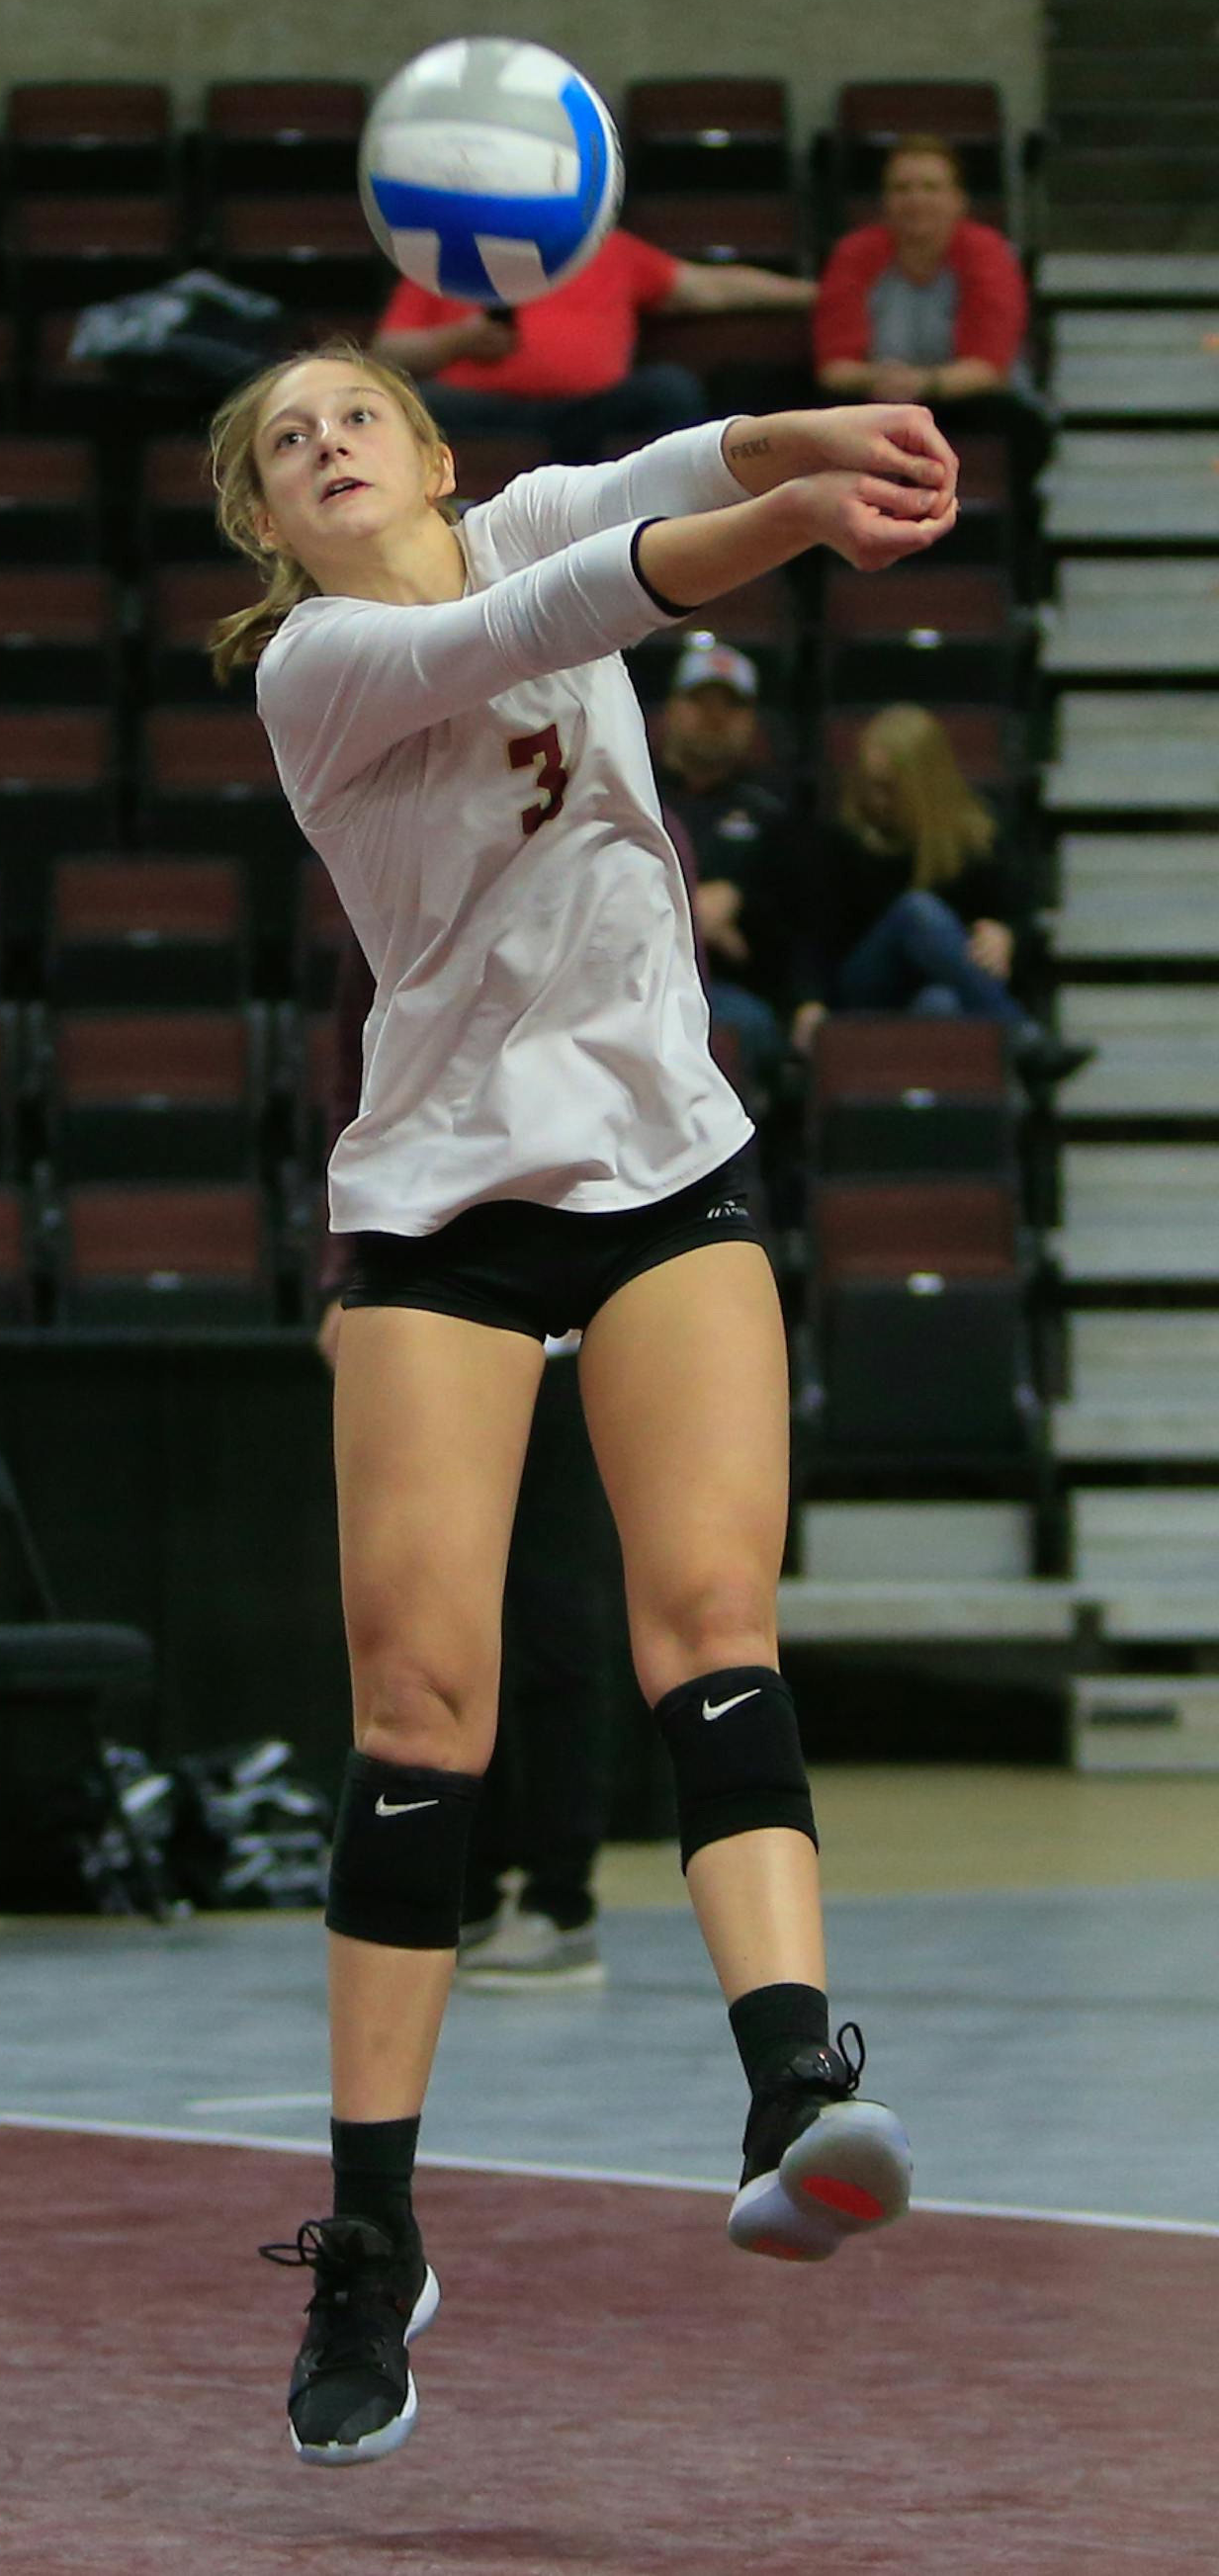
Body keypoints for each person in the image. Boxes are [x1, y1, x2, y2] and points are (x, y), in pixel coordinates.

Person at [211, 345, 937, 2463]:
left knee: (708, 1617)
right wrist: (795, 522)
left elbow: (649, 477)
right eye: (284, 443)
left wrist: (827, 440)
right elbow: (559, 613)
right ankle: (369, 2239)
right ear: (267, 524)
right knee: (420, 1711)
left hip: (662, 1162)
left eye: (357, 416)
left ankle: (793, 2084)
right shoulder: (325, 663)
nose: (326, 444)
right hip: (444, 1200)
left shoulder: (526, 511)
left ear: (434, 453)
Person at [318, 926, 618, 1990]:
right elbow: (359, 1070)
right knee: (440, 1611)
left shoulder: (624, 832)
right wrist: (347, 1273)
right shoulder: (394, 845)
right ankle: (470, 1884)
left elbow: (676, 1051)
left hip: (581, 1274)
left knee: (554, 1610)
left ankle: (561, 1895)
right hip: (440, 1279)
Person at [791, 703, 1088, 1084]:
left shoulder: (976, 837)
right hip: (864, 987)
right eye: (870, 785)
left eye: (889, 789)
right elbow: (815, 932)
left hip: (947, 990)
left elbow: (1022, 916)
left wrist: (1006, 935)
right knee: (917, 912)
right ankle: (1021, 1034)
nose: (877, 800)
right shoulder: (840, 839)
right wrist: (808, 1001)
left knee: (940, 1004)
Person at [376, 227, 816, 464]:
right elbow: (387, 354)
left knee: (670, 388)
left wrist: (818, 295)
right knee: (414, 407)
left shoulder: (609, 248)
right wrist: (457, 341)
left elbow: (709, 287)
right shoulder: (449, 251)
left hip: (589, 413)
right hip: (479, 411)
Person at [814, 136, 1046, 477]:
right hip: (877, 396)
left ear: (958, 200)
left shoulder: (990, 254)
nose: (916, 199)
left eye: (931, 187)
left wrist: (924, 383)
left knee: (1021, 429)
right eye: (902, 188)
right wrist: (879, 379)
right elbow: (835, 368)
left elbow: (989, 368)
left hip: (966, 397)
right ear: (885, 201)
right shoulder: (854, 253)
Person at [651, 640, 800, 1093]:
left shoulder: (773, 813)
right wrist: (695, 917)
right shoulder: (631, 795)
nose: (715, 718)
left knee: (744, 1026)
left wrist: (743, 907)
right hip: (634, 981)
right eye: (700, 702)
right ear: (671, 710)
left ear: (750, 721)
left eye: (730, 707)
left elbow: (795, 923)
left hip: (731, 990)